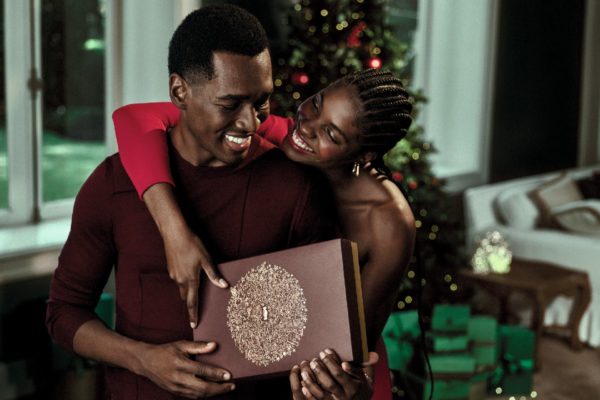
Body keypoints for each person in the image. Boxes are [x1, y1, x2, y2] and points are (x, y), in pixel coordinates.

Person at [46, 5, 362, 399]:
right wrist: (142, 359)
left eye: (261, 101)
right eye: (230, 104)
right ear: (179, 91)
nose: (250, 123)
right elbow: (63, 313)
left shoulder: (295, 185)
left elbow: (325, 330)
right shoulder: (113, 184)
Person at [112, 68, 416, 400]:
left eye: (331, 133)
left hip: (338, 382)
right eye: (316, 104)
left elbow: (356, 350)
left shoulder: (387, 222)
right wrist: (174, 232)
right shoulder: (287, 136)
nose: (308, 127)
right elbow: (133, 117)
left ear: (365, 155)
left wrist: (341, 386)